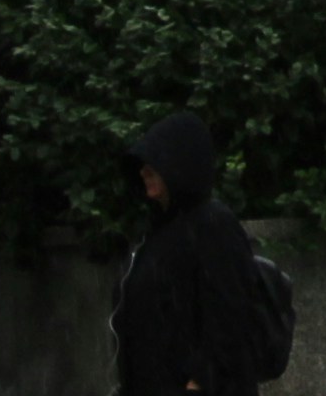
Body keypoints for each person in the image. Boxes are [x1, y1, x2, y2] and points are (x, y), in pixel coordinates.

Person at [115, 112, 279, 394]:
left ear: (179, 165)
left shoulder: (212, 225)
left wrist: (199, 381)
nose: (143, 171)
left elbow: (231, 317)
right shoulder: (159, 233)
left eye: (154, 164)